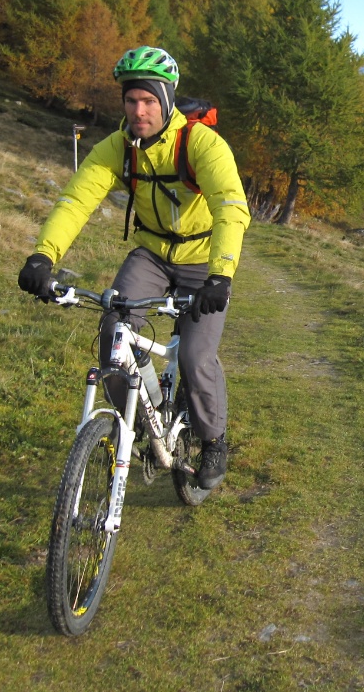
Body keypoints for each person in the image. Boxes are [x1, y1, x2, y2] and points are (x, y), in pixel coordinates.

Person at [17, 46, 251, 491]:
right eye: (130, 100)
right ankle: (139, 421)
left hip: (203, 260)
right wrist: (43, 256)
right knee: (114, 331)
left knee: (195, 356)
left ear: (166, 99)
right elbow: (76, 200)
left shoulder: (200, 143)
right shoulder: (118, 147)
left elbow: (230, 206)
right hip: (152, 254)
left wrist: (221, 274)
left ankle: (214, 439)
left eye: (148, 101)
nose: (139, 111)